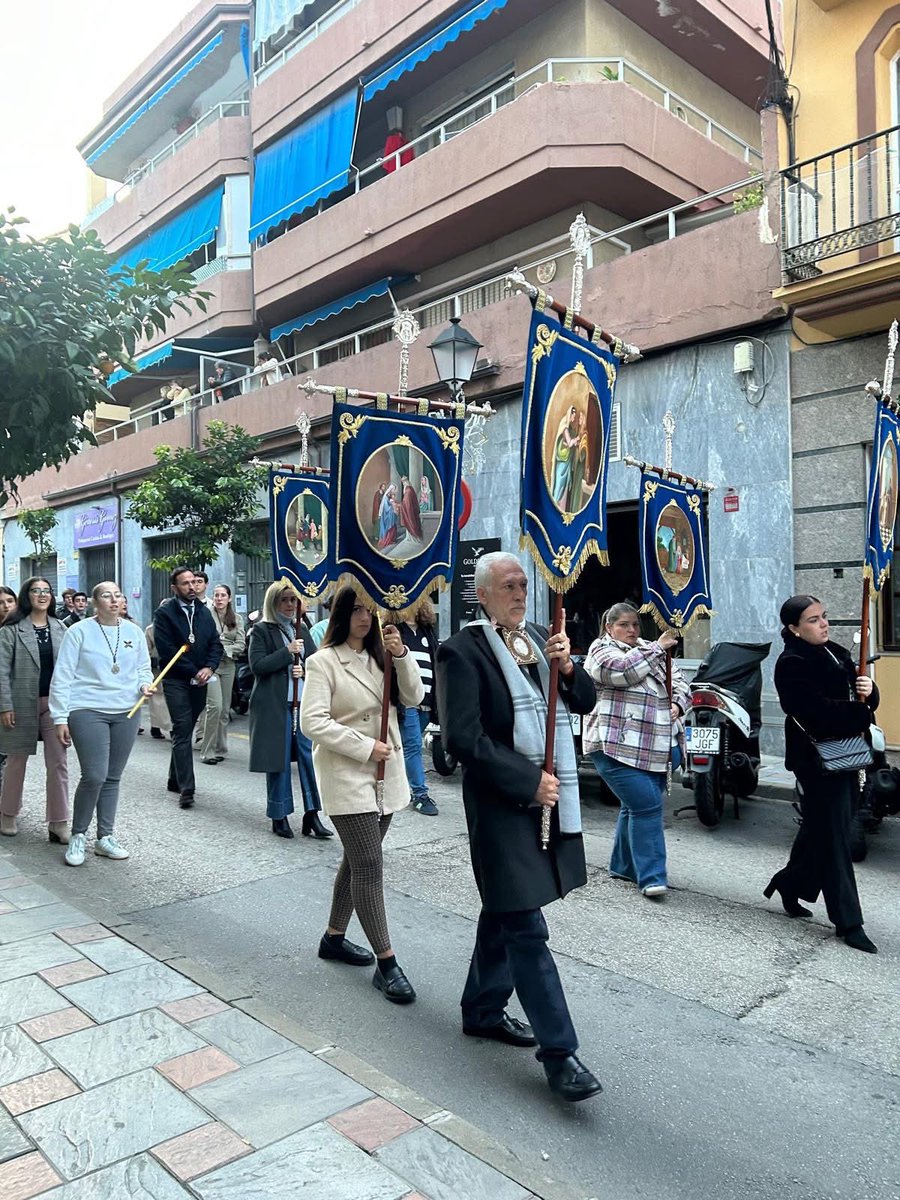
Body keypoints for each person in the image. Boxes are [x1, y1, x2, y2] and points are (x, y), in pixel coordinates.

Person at [436, 552, 602, 1102]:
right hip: (501, 804)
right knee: (525, 925)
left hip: (546, 798)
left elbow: (582, 702)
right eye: (508, 585)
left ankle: (482, 1009)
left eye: (523, 584)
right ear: (481, 595)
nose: (519, 593)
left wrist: (570, 668)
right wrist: (526, 780)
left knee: (504, 910)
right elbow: (463, 738)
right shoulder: (461, 651)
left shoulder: (540, 637)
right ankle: (560, 1055)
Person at [300, 587, 423, 1002]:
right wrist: (364, 745)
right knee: (370, 864)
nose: (364, 617)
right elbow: (312, 722)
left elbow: (414, 697)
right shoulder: (322, 662)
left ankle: (333, 938)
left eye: (368, 610)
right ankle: (387, 962)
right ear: (339, 615)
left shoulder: (381, 656)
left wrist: (401, 655)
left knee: (356, 861)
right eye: (355, 610)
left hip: (385, 777)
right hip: (347, 773)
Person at [765, 595, 879, 954]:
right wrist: (859, 714)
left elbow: (859, 694)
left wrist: (869, 692)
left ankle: (789, 882)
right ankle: (849, 921)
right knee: (835, 838)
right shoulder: (791, 662)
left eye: (824, 617)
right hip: (815, 759)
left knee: (823, 827)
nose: (823, 624)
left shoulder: (837, 652)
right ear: (794, 628)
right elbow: (814, 712)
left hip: (845, 753)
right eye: (813, 620)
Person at [583, 602, 690, 899]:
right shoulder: (601, 651)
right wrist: (657, 648)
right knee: (647, 807)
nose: (631, 630)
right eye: (624, 625)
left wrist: (677, 704)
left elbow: (681, 684)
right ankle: (652, 876)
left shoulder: (650, 648)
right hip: (614, 746)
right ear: (609, 627)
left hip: (656, 746)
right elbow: (621, 671)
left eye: (635, 625)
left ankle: (622, 864)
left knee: (634, 807)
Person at [49, 582, 155, 867]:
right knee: (94, 775)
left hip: (127, 711)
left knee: (112, 777)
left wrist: (145, 684)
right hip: (87, 708)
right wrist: (59, 717)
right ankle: (78, 834)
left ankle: (104, 837)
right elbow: (63, 675)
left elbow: (144, 668)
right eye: (106, 595)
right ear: (95, 602)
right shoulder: (78, 632)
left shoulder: (133, 631)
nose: (113, 599)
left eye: (117, 594)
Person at [249, 584, 331, 839]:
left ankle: (312, 814)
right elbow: (257, 666)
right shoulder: (261, 630)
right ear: (273, 603)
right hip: (275, 704)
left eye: (294, 600)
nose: (289, 605)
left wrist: (304, 670)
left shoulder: (301, 629)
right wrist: (286, 653)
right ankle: (279, 814)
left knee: (309, 759)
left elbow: (315, 663)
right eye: (284, 600)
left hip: (301, 704)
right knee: (279, 760)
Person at [0, 578, 71, 843]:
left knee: (59, 762)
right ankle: (7, 813)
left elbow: (70, 669)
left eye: (46, 591)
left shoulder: (61, 628)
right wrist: (4, 705)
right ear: (25, 595)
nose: (42, 595)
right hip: (19, 704)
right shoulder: (11, 629)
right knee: (16, 761)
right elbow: (1, 671)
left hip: (54, 705)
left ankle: (59, 821)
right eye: (35, 591)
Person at [153, 567, 222, 809]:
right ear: (175, 588)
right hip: (176, 679)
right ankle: (187, 789)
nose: (191, 587)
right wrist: (194, 671)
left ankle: (174, 778)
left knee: (186, 730)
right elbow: (167, 649)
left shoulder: (203, 612)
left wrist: (209, 668)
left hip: (201, 680)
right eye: (185, 584)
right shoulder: (165, 613)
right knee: (182, 729)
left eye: (194, 582)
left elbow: (215, 643)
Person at [397, 599, 440, 817]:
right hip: (407, 701)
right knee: (413, 744)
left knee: (407, 746)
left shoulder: (427, 631)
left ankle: (402, 786)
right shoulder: (395, 631)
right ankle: (420, 794)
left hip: (426, 701)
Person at [200, 584, 246, 765]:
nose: (219, 599)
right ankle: (207, 751)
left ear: (229, 598)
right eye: (216, 595)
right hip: (210, 666)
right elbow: (202, 641)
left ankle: (220, 748)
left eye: (223, 595)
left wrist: (225, 649)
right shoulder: (204, 615)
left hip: (228, 665)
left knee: (225, 710)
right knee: (215, 707)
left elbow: (241, 644)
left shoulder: (236, 618)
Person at [0, 588, 18, 795]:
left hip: (11, 699)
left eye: (10, 601)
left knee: (7, 755)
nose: (6, 606)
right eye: (1, 602)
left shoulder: (21, 629)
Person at [144, 622, 172, 740]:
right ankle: (159, 726)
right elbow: (146, 650)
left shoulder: (177, 625)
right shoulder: (151, 629)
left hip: (175, 666)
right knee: (157, 697)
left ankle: (170, 726)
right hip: (157, 667)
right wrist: (151, 661)